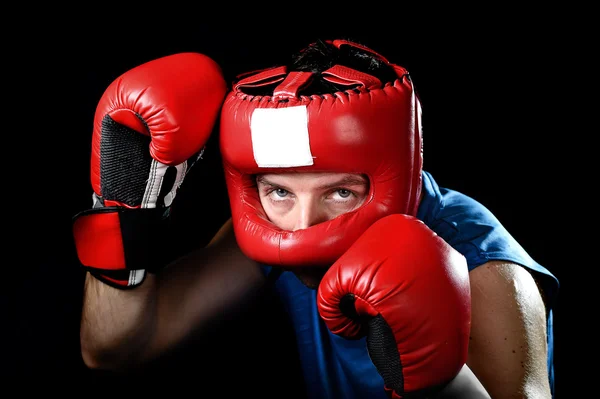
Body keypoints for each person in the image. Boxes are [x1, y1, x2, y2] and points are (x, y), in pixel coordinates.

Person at [73, 39, 559, 399]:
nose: (303, 225)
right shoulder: (269, 232)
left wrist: (443, 382)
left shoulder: (483, 263)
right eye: (280, 190)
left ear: (399, 176)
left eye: (341, 191)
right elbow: (113, 349)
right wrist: (119, 205)